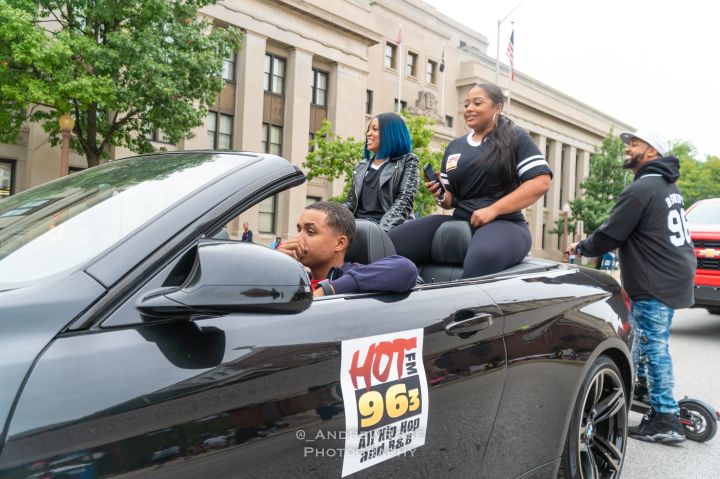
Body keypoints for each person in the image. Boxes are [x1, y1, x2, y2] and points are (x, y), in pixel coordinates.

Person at [568, 129, 695, 444]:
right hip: (670, 272)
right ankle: (641, 387)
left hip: (656, 278)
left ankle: (665, 418)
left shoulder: (643, 188)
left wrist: (581, 247)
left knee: (653, 346)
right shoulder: (667, 186)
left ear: (651, 152)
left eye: (634, 144)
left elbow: (612, 233)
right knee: (639, 335)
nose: (628, 148)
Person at [388, 82, 552, 278]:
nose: (469, 109)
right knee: (388, 243)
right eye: (466, 105)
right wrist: (440, 194)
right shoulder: (455, 146)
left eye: (477, 103)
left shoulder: (516, 137)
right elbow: (450, 202)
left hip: (506, 223)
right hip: (461, 220)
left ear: (497, 108)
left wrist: (493, 210)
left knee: (482, 258)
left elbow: (541, 182)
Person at [277, 201, 418, 297]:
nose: (299, 238)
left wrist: (329, 290)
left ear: (339, 243)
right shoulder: (295, 279)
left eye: (311, 232)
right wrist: (275, 266)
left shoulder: (355, 275)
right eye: (299, 230)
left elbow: (406, 269)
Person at [344, 112, 419, 231]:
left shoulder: (408, 161)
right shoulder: (361, 166)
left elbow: (403, 202)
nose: (368, 134)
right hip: (359, 227)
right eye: (368, 130)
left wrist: (380, 231)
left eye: (375, 129)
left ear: (390, 133)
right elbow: (351, 203)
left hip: (391, 229)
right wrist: (330, 215)